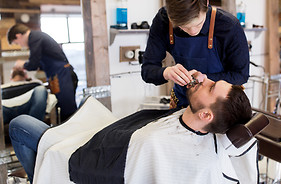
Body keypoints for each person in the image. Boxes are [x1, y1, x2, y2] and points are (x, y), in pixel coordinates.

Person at [9, 74, 256, 184]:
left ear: (205, 115)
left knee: (20, 125)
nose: (204, 78)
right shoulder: (196, 118)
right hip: (99, 137)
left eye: (211, 86)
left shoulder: (162, 145)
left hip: (81, 155)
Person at [141, 0, 250, 109]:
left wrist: (206, 78)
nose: (192, 31)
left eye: (198, 24)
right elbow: (147, 71)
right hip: (182, 100)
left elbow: (241, 75)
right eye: (183, 27)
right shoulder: (163, 20)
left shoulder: (228, 26)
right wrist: (167, 72)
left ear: (207, 3)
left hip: (221, 105)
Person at [7, 23, 78, 122]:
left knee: (68, 112)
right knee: (62, 111)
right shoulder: (37, 38)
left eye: (17, 43)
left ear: (18, 36)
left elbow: (33, 64)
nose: (21, 46)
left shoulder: (34, 38)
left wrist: (22, 64)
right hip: (58, 76)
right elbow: (39, 64)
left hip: (63, 75)